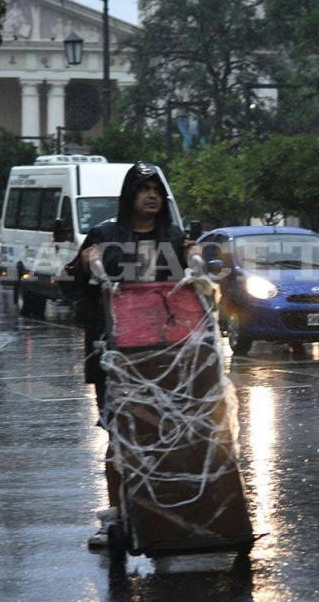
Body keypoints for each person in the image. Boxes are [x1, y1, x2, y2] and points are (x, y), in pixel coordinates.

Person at [68, 162, 191, 549]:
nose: (151, 195)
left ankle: (166, 512)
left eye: (157, 188)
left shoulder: (174, 238)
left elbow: (191, 293)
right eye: (143, 189)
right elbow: (70, 285)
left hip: (167, 355)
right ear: (129, 195)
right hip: (115, 356)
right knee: (119, 436)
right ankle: (116, 515)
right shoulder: (104, 235)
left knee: (165, 433)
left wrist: (198, 258)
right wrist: (83, 264)